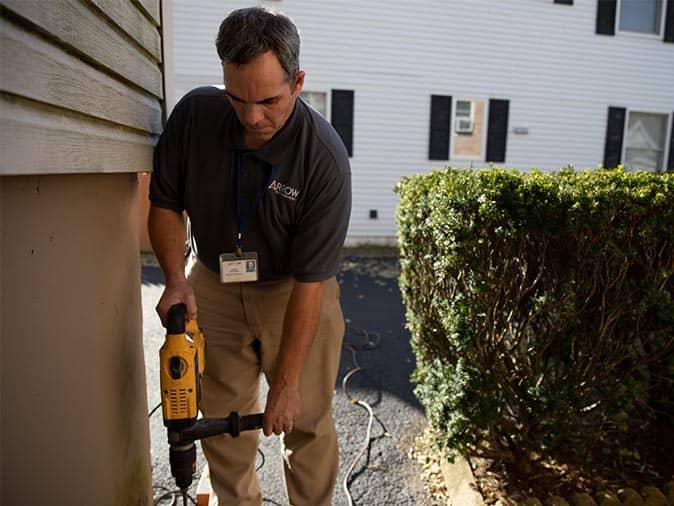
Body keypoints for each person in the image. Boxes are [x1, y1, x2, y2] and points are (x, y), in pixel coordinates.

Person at [148, 6, 351, 506]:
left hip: (295, 290)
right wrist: (176, 279)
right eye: (238, 98)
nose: (252, 116)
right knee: (223, 424)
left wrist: (285, 384)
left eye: (268, 100)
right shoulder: (196, 116)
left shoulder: (323, 159)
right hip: (214, 284)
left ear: (298, 82)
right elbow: (165, 204)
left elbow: (311, 285)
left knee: (306, 421)